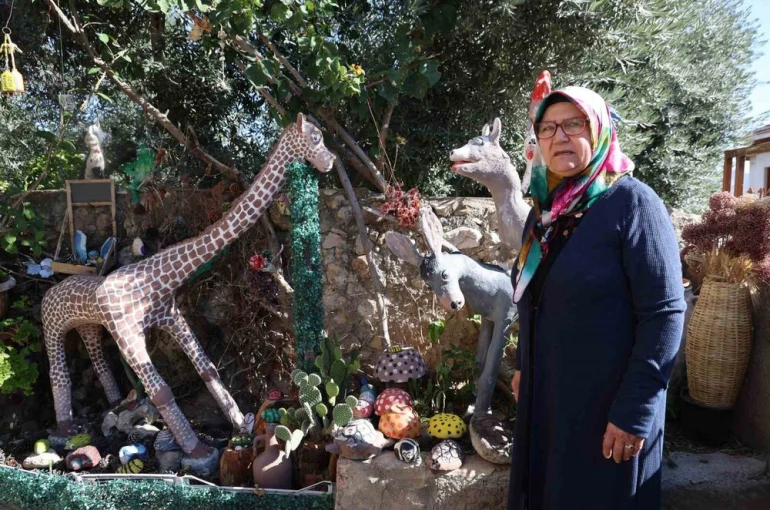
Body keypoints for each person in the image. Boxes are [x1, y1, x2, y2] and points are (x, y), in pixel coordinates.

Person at [507, 86, 685, 509]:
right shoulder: (546, 213)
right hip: (548, 400)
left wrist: (635, 410)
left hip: (607, 410)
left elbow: (664, 313)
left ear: (601, 130)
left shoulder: (633, 203)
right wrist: (522, 363)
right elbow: (536, 296)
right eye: (547, 128)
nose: (560, 137)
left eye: (574, 124)